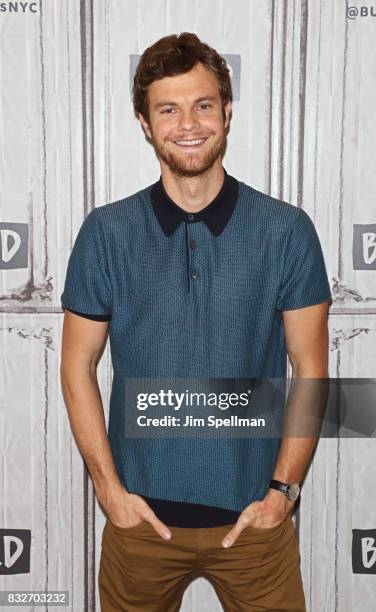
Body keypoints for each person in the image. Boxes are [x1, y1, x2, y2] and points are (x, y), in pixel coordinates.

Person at [60, 32, 332, 612]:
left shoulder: (286, 232)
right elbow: (76, 365)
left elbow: (310, 369)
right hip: (140, 526)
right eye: (168, 109)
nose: (188, 123)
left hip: (256, 526)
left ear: (227, 113)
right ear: (144, 122)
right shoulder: (106, 234)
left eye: (203, 105)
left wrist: (282, 494)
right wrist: (110, 493)